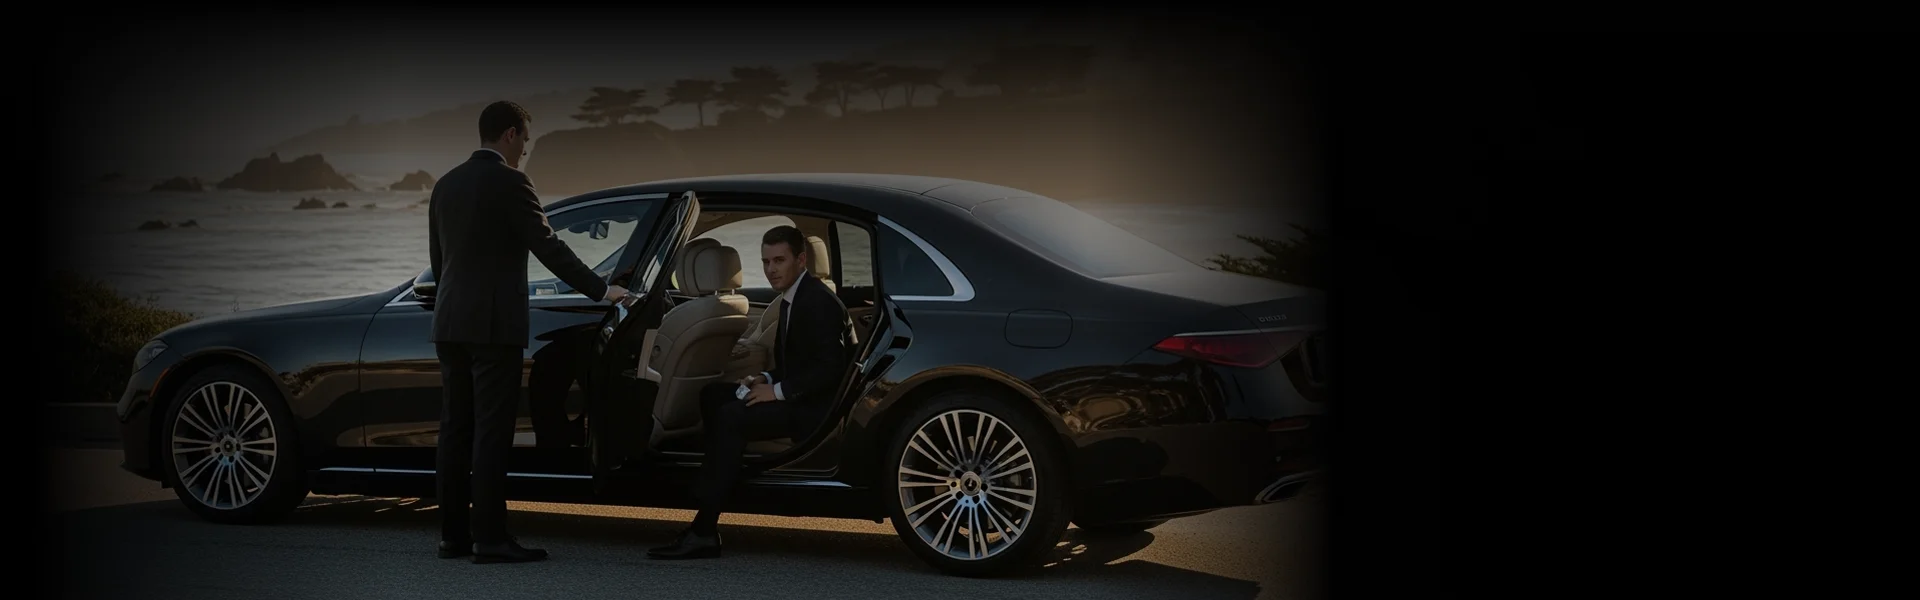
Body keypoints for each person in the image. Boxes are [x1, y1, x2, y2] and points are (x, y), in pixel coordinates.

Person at [428, 100, 629, 563]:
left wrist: (452, 304)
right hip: (494, 326)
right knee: (492, 434)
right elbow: (549, 246)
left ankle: (452, 537)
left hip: (450, 322)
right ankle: (492, 540)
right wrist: (602, 289)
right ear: (512, 135)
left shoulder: (446, 184)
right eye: (525, 141)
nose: (524, 152)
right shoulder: (511, 181)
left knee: (455, 430)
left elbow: (440, 261)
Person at [648, 225, 852, 560]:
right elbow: (798, 363)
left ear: (801, 260)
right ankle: (722, 474)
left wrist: (779, 392)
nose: (771, 269)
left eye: (779, 260)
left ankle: (703, 530)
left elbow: (831, 369)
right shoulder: (794, 297)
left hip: (816, 411)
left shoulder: (817, 302)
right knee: (714, 395)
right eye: (766, 261)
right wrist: (763, 377)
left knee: (731, 416)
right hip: (800, 396)